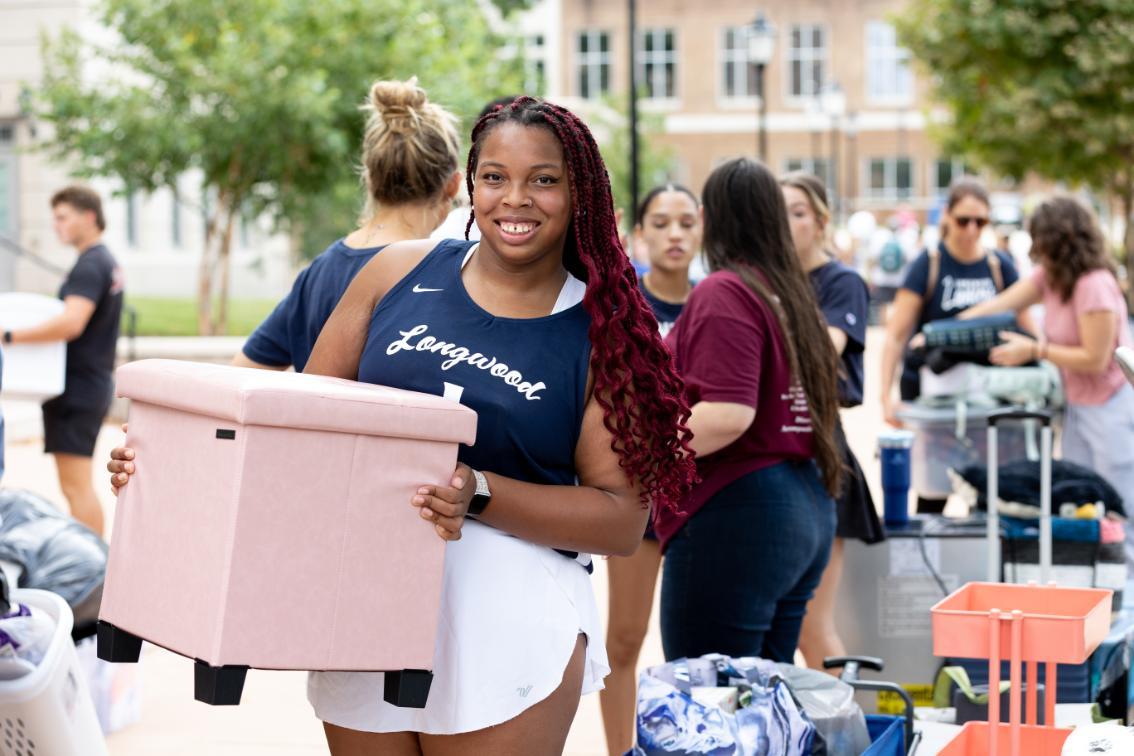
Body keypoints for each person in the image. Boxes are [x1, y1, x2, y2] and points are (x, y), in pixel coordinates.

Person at [109, 96, 696, 755]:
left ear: (579, 192)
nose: (515, 199)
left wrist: (479, 492)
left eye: (544, 180)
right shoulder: (396, 272)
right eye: (495, 176)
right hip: (362, 604)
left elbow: (620, 520)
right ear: (470, 183)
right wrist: (169, 465)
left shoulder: (603, 331)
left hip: (509, 624)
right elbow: (295, 434)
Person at [657, 158, 841, 664]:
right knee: (762, 694)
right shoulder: (789, 293)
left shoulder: (724, 290)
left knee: (711, 693)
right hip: (802, 503)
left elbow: (728, 413)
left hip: (740, 508)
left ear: (708, 217)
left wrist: (642, 452)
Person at [239, 79, 463, 372]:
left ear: (369, 177)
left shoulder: (319, 271)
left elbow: (243, 370)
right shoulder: (443, 276)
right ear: (452, 186)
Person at [960, 196, 1134, 564]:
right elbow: (1000, 305)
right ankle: (1097, 578)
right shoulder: (1050, 278)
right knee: (1083, 503)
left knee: (1122, 507)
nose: (1034, 247)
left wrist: (1035, 350)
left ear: (1057, 238)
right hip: (1077, 408)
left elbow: (1096, 358)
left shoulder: (1094, 285)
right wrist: (942, 330)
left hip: (1112, 410)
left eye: (1039, 237)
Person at [599, 183, 701, 755]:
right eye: (661, 223)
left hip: (700, 495)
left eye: (686, 222)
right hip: (637, 492)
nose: (674, 235)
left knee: (695, 645)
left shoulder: (717, 302)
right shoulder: (621, 302)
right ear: (639, 233)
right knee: (624, 639)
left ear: (702, 228)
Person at [780, 173, 883, 673]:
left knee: (812, 626)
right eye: (777, 212)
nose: (786, 222)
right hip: (768, 456)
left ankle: (844, 719)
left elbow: (823, 354)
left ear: (821, 222)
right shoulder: (763, 282)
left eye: (797, 212)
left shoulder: (841, 283)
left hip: (819, 453)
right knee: (776, 625)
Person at [3, 186, 123, 535]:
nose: (56, 225)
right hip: (89, 383)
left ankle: (93, 562)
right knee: (77, 486)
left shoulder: (91, 264)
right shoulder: (103, 261)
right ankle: (95, 558)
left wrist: (8, 335)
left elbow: (72, 322)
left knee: (76, 486)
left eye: (63, 217)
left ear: (89, 217)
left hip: (79, 388)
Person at [880, 177, 1034, 427]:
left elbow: (1027, 326)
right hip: (934, 390)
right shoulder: (928, 264)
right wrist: (886, 398)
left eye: (980, 222)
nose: (971, 229)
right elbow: (896, 335)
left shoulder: (999, 265)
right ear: (947, 215)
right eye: (963, 221)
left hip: (989, 393)